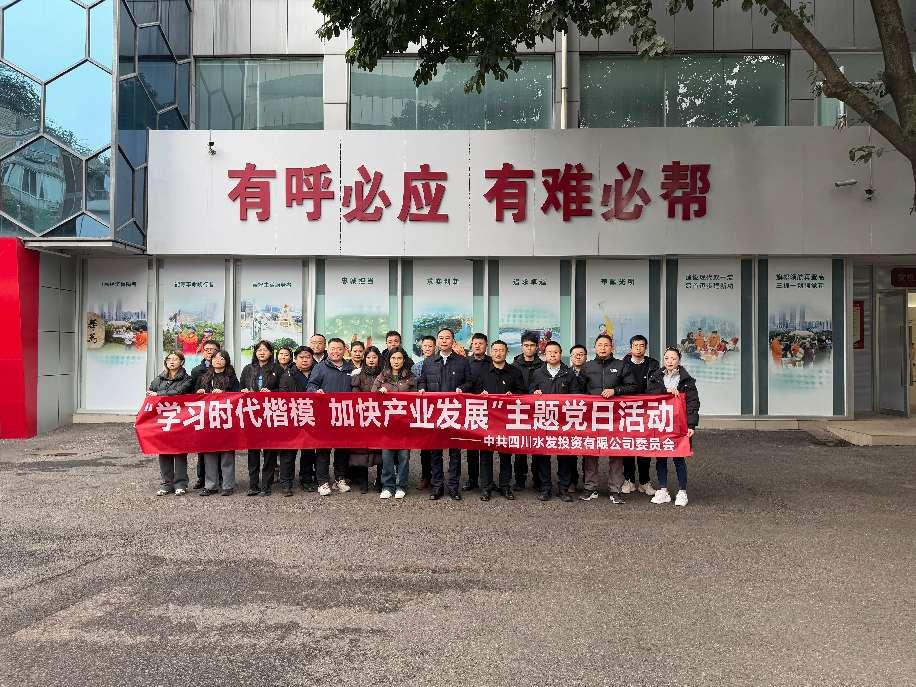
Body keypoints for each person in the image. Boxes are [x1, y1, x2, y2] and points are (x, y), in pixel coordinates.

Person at [462, 339, 525, 501]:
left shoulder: (514, 372)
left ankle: (505, 486)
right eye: (495, 350)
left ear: (506, 352)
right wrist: (480, 395)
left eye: (501, 350)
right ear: (491, 352)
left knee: (506, 456)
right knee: (485, 456)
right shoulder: (482, 372)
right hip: (487, 421)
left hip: (506, 421)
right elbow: (473, 394)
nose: (498, 353)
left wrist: (514, 395)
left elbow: (522, 393)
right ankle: (486, 487)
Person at [581, 334, 637, 504]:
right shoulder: (587, 366)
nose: (603, 348)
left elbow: (633, 386)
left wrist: (616, 391)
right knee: (591, 452)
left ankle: (615, 489)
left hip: (615, 417)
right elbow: (578, 390)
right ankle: (590, 487)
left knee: (616, 452)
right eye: (600, 345)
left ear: (612, 347)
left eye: (606, 345)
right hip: (592, 416)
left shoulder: (621, 365)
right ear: (595, 347)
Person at [417, 327, 472, 500]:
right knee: (435, 452)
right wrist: (421, 389)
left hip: (454, 412)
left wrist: (462, 388)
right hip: (435, 413)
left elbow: (469, 382)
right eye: (441, 338)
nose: (444, 340)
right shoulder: (429, 361)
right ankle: (437, 486)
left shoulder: (462, 361)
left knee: (455, 452)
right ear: (437, 341)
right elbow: (422, 381)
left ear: (453, 341)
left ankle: (453, 487)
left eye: (447, 338)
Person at [529, 341, 582, 502]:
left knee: (564, 455)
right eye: (549, 352)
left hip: (563, 421)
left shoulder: (568, 373)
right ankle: (545, 488)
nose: (552, 355)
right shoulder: (537, 373)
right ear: (544, 355)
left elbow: (576, 396)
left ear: (561, 353)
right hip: (543, 419)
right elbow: (530, 391)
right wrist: (534, 393)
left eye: (556, 352)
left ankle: (563, 488)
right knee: (543, 455)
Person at [647, 347, 700, 507]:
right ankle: (663, 490)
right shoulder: (656, 376)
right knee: (661, 457)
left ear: (679, 360)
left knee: (678, 457)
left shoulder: (686, 380)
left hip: (679, 424)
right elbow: (650, 394)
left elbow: (693, 403)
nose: (670, 361)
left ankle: (682, 491)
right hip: (660, 423)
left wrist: (691, 425)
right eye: (667, 358)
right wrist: (666, 391)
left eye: (673, 358)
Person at [307, 337, 355, 496]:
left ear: (344, 350)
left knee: (342, 449)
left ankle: (340, 479)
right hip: (325, 415)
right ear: (328, 350)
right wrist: (316, 391)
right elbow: (311, 385)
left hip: (344, 415)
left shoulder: (350, 368)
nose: (336, 352)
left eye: (339, 349)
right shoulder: (320, 367)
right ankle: (322, 482)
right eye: (333, 348)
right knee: (323, 449)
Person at [373, 347, 417, 499]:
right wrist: (380, 391)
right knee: (387, 457)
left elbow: (415, 399)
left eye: (399, 358)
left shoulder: (411, 377)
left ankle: (401, 486)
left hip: (404, 424)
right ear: (389, 360)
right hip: (387, 424)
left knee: (404, 457)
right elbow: (372, 395)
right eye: (393, 358)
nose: (396, 361)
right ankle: (387, 486)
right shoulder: (382, 376)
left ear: (404, 360)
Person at [239, 340, 282, 496]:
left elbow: (283, 390)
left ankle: (266, 485)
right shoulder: (248, 369)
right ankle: (253, 485)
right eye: (259, 350)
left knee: (269, 451)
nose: (262, 352)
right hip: (252, 415)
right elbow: (240, 388)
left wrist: (272, 393)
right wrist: (244, 391)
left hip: (270, 414)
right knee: (253, 451)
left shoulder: (277, 369)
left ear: (271, 353)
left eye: (265, 350)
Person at [148, 351, 194, 495]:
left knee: (179, 451)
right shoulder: (159, 379)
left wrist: (159, 394)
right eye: (169, 359)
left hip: (180, 419)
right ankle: (166, 483)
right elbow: (150, 395)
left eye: (175, 359)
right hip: (162, 420)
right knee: (163, 451)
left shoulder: (187, 379)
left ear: (182, 362)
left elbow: (179, 391)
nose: (172, 361)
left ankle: (180, 483)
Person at [196, 350, 240, 496]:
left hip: (226, 419)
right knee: (209, 452)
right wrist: (200, 392)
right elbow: (194, 398)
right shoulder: (204, 377)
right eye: (215, 358)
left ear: (226, 361)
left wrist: (224, 394)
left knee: (227, 452)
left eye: (222, 358)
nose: (218, 360)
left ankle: (228, 485)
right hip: (208, 419)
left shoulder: (232, 378)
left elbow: (237, 396)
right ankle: (211, 485)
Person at [620, 335, 659, 497]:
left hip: (646, 411)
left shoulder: (653, 364)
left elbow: (658, 385)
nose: (638, 348)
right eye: (635, 345)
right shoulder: (622, 364)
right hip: (627, 411)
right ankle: (628, 480)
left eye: (641, 345)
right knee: (628, 446)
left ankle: (644, 482)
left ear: (646, 347)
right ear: (630, 348)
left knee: (644, 446)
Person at [277, 346, 315, 496]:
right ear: (295, 359)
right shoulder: (287, 375)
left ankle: (306, 479)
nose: (305, 360)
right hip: (291, 418)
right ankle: (286, 482)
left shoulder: (317, 373)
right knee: (288, 453)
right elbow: (283, 396)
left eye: (308, 357)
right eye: (301, 357)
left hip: (310, 417)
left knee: (308, 451)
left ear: (312, 359)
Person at [512, 332, 545, 490]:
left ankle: (538, 479)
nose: (529, 348)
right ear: (522, 346)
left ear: (537, 347)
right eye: (526, 345)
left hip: (537, 410)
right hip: (519, 409)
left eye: (532, 345)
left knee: (538, 445)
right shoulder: (514, 366)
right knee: (520, 446)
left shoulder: (543, 365)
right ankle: (520, 479)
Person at [350, 345, 383, 493]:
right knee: (362, 450)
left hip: (381, 417)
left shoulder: (385, 374)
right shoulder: (358, 374)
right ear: (364, 358)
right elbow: (355, 394)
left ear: (378, 359)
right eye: (368, 357)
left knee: (381, 450)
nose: (371, 360)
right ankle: (363, 481)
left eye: (374, 357)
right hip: (363, 415)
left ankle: (380, 480)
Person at [189, 339, 222, 489]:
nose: (209, 352)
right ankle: (201, 478)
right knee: (202, 447)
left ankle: (220, 477)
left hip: (220, 413)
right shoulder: (197, 371)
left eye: (212, 349)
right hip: (203, 413)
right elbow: (192, 391)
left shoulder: (227, 369)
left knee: (220, 446)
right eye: (206, 349)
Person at [463, 332, 491, 492]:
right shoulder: (465, 362)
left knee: (487, 447)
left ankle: (487, 481)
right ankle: (472, 479)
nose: (478, 346)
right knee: (471, 447)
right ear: (472, 345)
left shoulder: (492, 362)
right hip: (470, 408)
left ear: (486, 346)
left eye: (481, 343)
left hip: (489, 410)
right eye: (475, 343)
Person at [412, 334, 437, 490]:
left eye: (430, 346)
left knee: (438, 445)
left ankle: (437, 477)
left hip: (439, 408)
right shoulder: (416, 367)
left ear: (435, 347)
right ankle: (425, 476)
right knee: (425, 445)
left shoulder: (440, 363)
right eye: (425, 346)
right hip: (423, 410)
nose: (427, 349)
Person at [566, 343, 589, 493]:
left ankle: (588, 482)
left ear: (586, 357)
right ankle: (571, 481)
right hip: (571, 416)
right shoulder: (565, 372)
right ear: (571, 357)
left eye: (581, 354)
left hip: (589, 415)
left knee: (588, 451)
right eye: (575, 354)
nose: (578, 357)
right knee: (570, 451)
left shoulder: (592, 371)